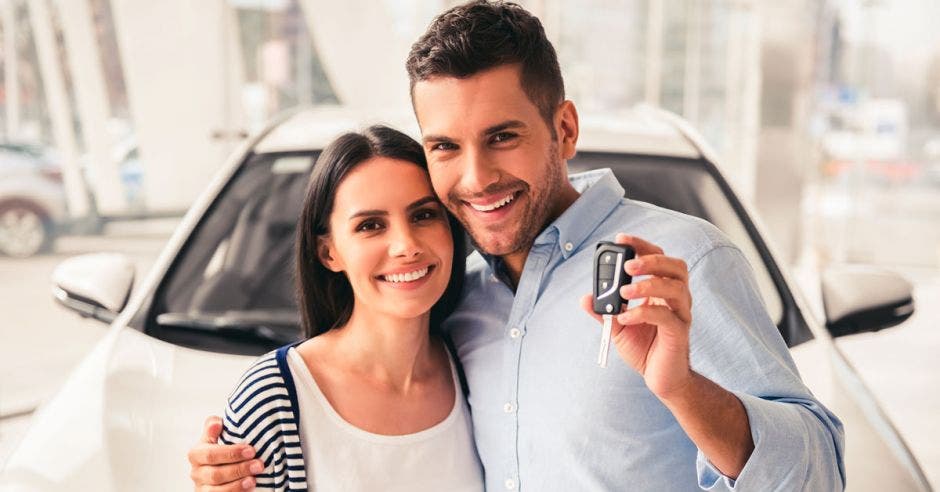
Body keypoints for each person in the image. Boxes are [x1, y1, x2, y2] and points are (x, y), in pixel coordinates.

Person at [190, 2, 845, 490]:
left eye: (502, 136)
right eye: (445, 147)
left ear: (563, 128)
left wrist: (682, 389)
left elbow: (821, 476)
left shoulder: (681, 266)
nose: (475, 179)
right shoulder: (456, 305)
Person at [206, 125, 483, 491]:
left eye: (423, 215)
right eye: (371, 225)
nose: (405, 245)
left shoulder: (476, 365)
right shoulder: (275, 399)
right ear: (329, 252)